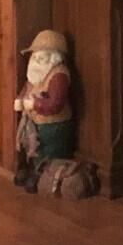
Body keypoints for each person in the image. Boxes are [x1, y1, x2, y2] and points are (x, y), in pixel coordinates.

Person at [13, 29, 76, 191]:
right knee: (32, 148)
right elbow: (27, 88)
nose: (37, 61)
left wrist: (34, 105)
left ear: (54, 58)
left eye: (42, 57)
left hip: (53, 124)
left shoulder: (58, 75)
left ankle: (43, 175)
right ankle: (31, 169)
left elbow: (55, 103)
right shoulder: (35, 74)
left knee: (48, 151)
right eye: (35, 56)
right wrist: (19, 101)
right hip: (33, 122)